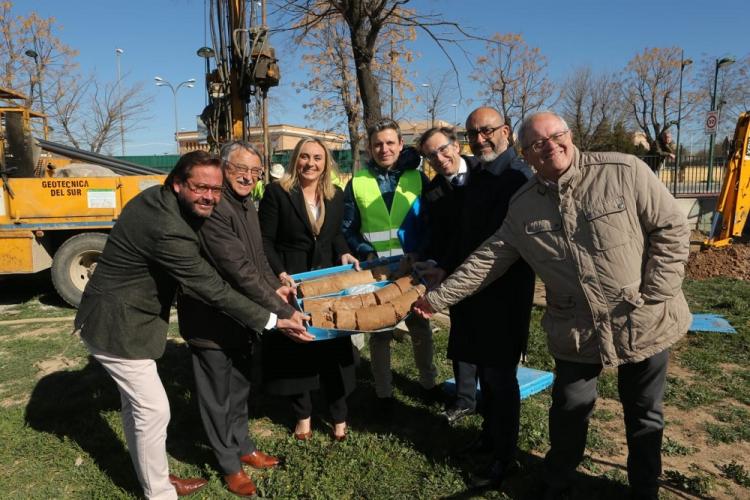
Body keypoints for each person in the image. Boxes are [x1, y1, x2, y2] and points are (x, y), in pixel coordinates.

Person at [414, 111, 691, 499]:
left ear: (570, 135)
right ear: (526, 152)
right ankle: (557, 481)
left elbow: (672, 227)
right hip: (576, 325)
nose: (550, 147)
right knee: (568, 408)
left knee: (644, 413)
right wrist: (437, 299)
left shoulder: (623, 170)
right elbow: (487, 260)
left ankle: (644, 489)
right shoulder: (524, 203)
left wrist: (657, 291)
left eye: (556, 136)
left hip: (642, 316)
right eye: (539, 144)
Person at [74, 151, 311, 500]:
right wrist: (274, 319)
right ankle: (160, 493)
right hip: (116, 323)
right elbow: (211, 287)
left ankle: (156, 479)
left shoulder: (171, 202)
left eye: (215, 190)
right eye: (201, 187)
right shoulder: (167, 226)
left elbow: (251, 258)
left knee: (137, 409)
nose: (210, 197)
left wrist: (273, 288)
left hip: (131, 316)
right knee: (154, 408)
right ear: (177, 183)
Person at [416, 117, 535, 488]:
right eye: (474, 133)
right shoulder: (482, 175)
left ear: (506, 131)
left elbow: (503, 248)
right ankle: (490, 436)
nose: (481, 138)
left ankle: (506, 457)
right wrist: (443, 266)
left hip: (502, 295)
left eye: (487, 130)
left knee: (500, 378)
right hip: (469, 289)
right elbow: (464, 235)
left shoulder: (518, 177)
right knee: (483, 371)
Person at [176, 142, 294, 497]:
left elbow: (256, 258)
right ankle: (229, 465)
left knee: (240, 386)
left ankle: (244, 447)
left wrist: (277, 287)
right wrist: (282, 310)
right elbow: (238, 270)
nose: (248, 176)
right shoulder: (213, 208)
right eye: (240, 168)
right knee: (216, 395)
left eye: (255, 171)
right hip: (209, 318)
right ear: (224, 168)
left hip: (244, 316)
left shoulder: (247, 205)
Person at [259, 138, 359, 441]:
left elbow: (334, 236)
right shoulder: (278, 193)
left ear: (326, 162)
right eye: (304, 157)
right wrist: (279, 272)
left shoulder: (335, 195)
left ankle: (339, 417)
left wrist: (345, 252)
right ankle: (303, 417)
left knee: (333, 347)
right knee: (298, 348)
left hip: (327, 283)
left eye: (317, 157)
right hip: (292, 282)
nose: (310, 163)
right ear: (295, 160)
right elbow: (265, 240)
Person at [342, 118, 440, 415]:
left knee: (421, 327)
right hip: (378, 270)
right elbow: (349, 227)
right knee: (380, 333)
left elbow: (432, 222)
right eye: (377, 144)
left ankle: (429, 385)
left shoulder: (418, 178)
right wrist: (365, 251)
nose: (383, 149)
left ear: (400, 144)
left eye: (389, 143)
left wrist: (422, 253)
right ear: (369, 149)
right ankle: (383, 394)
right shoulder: (357, 182)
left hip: (414, 269)